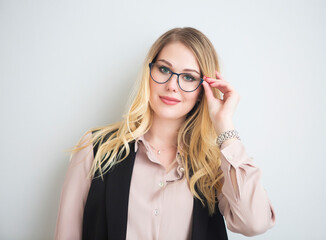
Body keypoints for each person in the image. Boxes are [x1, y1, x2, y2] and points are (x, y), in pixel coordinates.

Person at [54, 27, 276, 240]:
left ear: (203, 90)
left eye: (188, 77)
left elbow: (255, 223)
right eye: (164, 69)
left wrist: (224, 125)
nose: (172, 85)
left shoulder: (217, 164)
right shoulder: (96, 148)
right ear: (149, 72)